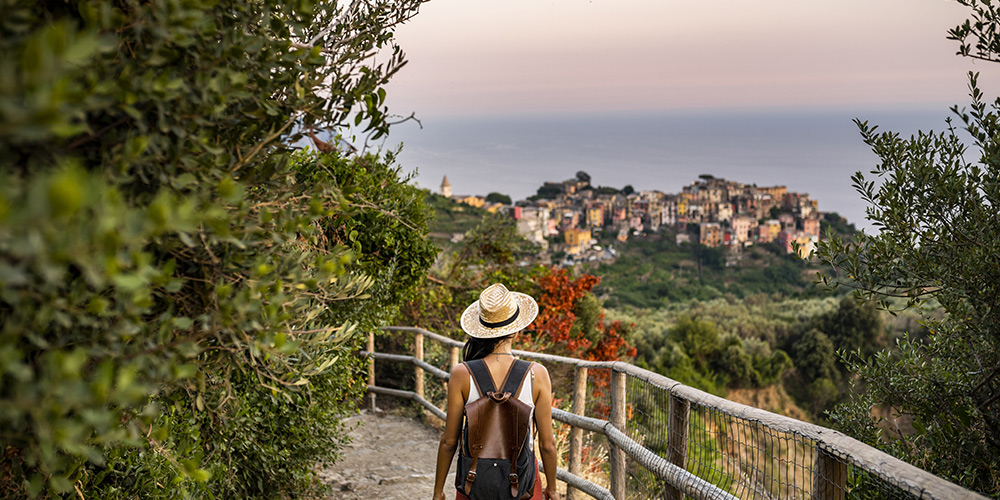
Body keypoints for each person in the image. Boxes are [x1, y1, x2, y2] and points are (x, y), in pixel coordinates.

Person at [432, 283, 561, 500]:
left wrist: (438, 492)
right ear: (517, 330)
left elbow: (449, 441)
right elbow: (547, 444)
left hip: (475, 481)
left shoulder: (462, 374)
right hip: (522, 483)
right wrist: (553, 488)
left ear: (480, 329)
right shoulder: (537, 374)